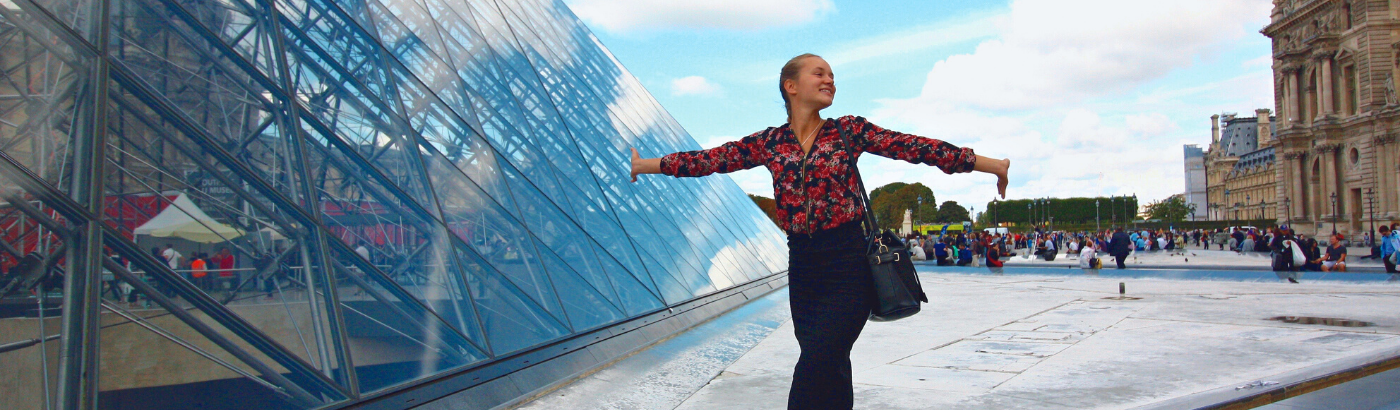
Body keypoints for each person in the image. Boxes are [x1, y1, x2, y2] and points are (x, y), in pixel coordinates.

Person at [629, 53, 1011, 410]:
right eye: (820, 73)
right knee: (831, 364)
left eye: (832, 76)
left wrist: (991, 164)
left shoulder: (849, 130)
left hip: (849, 265)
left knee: (817, 361)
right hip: (804, 269)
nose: (830, 80)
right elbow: (710, 160)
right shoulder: (770, 142)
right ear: (790, 86)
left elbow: (917, 148)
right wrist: (646, 165)